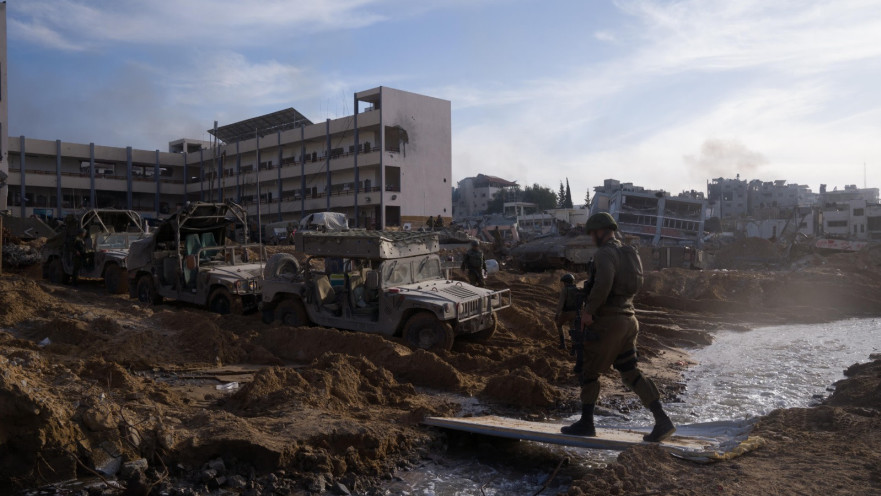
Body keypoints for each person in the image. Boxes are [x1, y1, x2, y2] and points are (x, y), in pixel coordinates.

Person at [561, 212, 675, 443]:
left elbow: (603, 283)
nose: (592, 238)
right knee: (630, 371)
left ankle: (586, 423)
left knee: (589, 371)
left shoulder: (605, 254)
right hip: (629, 318)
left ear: (601, 231)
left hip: (609, 322)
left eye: (593, 233)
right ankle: (662, 420)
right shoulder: (628, 252)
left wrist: (588, 311)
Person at [554, 273, 580, 350]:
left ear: (566, 282)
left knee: (559, 324)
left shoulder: (565, 290)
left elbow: (561, 303)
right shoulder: (577, 289)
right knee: (573, 329)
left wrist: (557, 314)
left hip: (566, 312)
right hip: (575, 312)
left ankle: (563, 344)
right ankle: (573, 348)